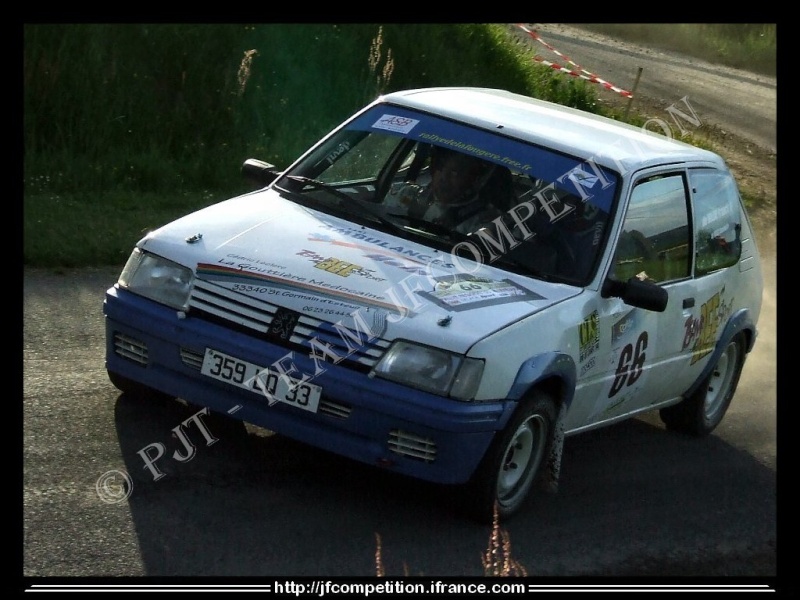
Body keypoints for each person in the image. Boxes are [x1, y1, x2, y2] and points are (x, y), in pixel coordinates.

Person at [391, 146, 506, 235]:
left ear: (473, 178)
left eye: (454, 172)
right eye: (439, 168)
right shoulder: (407, 194)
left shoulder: (485, 223)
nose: (443, 178)